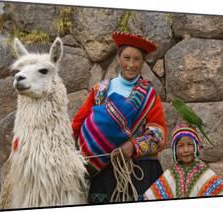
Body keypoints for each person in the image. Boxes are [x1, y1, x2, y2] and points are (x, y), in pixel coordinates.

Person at [72, 31, 167, 203]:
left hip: (141, 172)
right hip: (103, 171)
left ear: (143, 62)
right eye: (126, 58)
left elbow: (158, 135)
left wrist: (133, 146)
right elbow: (77, 125)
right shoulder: (100, 91)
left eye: (137, 59)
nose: (131, 64)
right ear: (118, 58)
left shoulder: (149, 95)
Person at [142, 124, 223, 200]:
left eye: (190, 145)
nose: (186, 150)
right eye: (181, 146)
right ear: (174, 151)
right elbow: (151, 197)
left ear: (196, 147)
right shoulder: (170, 175)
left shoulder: (205, 174)